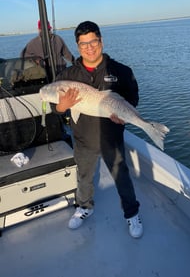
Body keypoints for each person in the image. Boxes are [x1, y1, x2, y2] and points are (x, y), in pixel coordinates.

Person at [52, 21, 143, 238]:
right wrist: (62, 108)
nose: (89, 47)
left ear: (101, 41)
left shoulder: (121, 71)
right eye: (83, 44)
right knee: (84, 177)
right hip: (83, 139)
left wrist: (124, 117)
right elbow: (54, 106)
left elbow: (133, 100)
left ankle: (132, 214)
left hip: (112, 137)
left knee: (122, 176)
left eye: (93, 41)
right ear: (77, 46)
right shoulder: (68, 75)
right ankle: (84, 207)